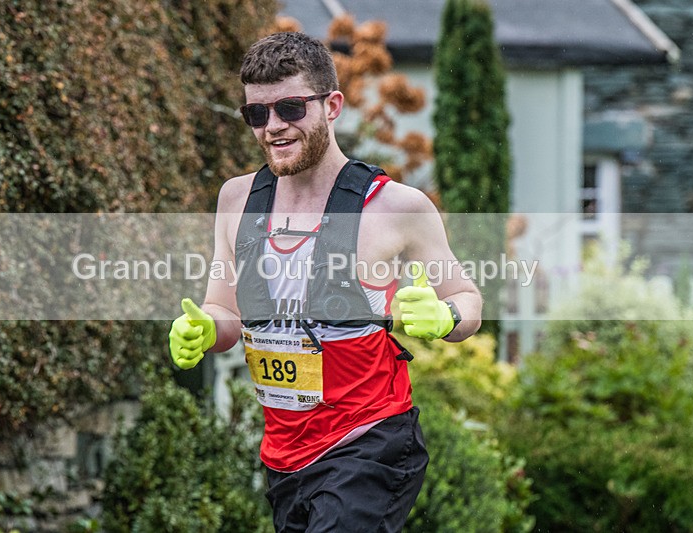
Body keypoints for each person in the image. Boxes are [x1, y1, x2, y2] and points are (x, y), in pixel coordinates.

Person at [169, 32, 482, 532]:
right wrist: (206, 328)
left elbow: (467, 300)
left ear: (332, 105)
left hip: (369, 442)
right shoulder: (237, 200)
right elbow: (225, 311)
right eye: (257, 114)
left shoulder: (396, 206)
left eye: (290, 108)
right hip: (285, 454)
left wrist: (445, 317)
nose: (273, 127)